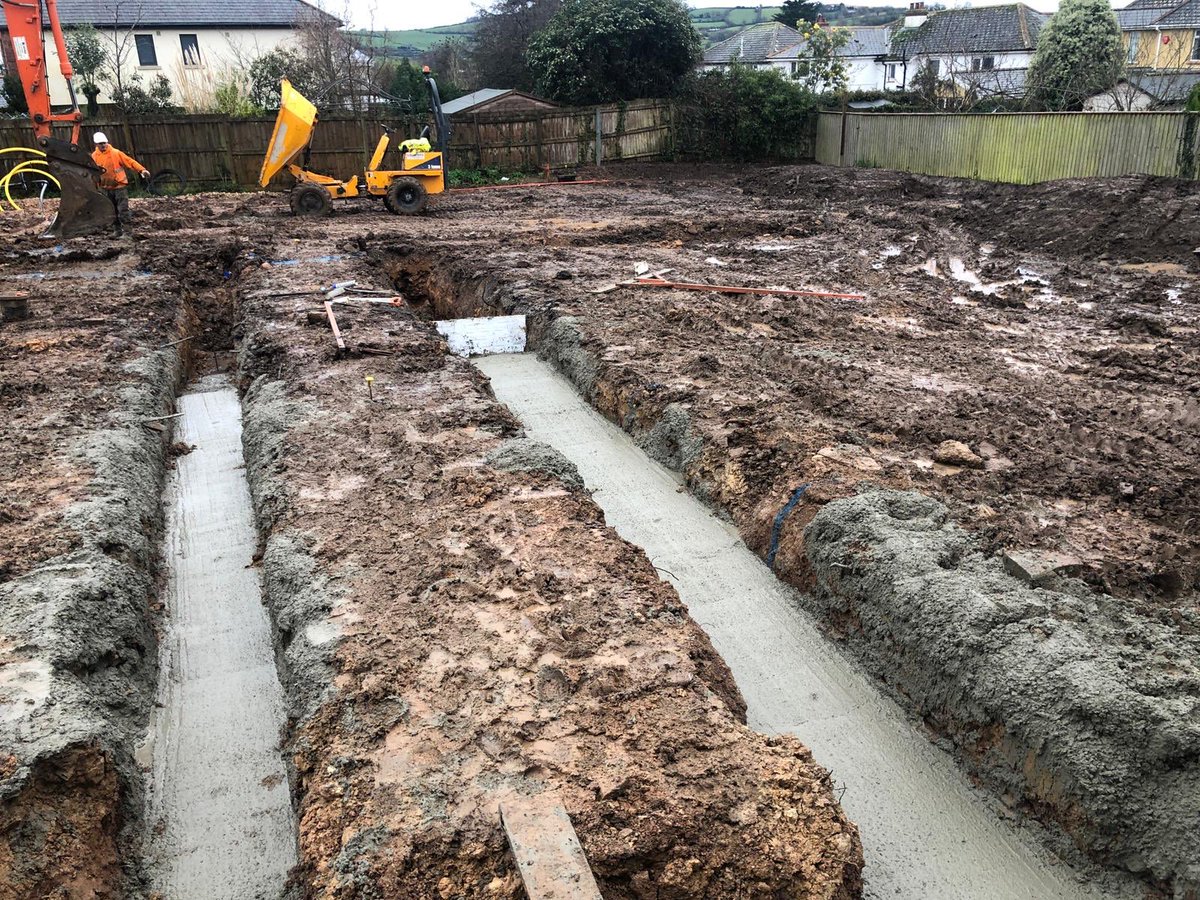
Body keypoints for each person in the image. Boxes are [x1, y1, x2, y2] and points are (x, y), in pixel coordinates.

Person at [90, 131, 149, 236]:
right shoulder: (94, 156)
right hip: (104, 188)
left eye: (104, 143)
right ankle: (117, 231)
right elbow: (92, 172)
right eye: (101, 143)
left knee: (123, 210)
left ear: (107, 142)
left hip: (119, 187)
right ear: (96, 144)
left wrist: (142, 170)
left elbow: (130, 161)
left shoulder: (115, 153)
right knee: (111, 211)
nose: (103, 145)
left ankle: (128, 232)